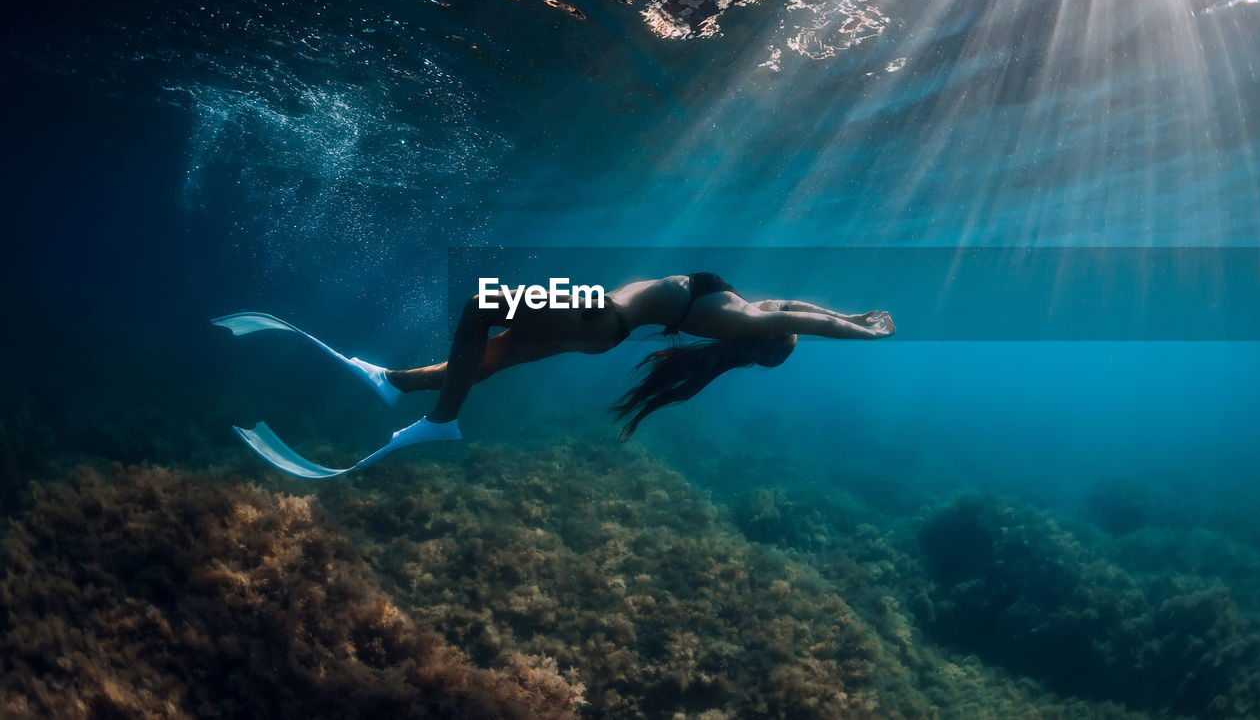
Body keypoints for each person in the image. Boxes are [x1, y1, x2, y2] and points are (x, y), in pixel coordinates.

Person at [212, 273, 893, 478]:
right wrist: (853, 307)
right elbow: (803, 309)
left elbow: (808, 323)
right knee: (489, 356)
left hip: (598, 319)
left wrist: (857, 331)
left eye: (789, 328)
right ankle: (398, 381)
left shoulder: (743, 322)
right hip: (598, 328)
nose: (791, 316)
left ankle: (440, 422)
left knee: (483, 308)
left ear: (769, 339)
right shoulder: (762, 312)